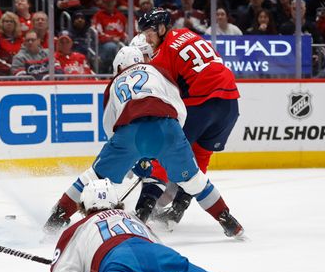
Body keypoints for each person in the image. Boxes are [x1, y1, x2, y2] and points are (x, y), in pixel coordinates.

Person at [44, 46, 242, 239]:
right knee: (195, 181)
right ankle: (229, 221)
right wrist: (170, 140)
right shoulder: (159, 71)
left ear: (119, 67)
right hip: (168, 127)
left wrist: (130, 155)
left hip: (129, 134)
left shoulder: (114, 83)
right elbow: (178, 107)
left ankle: (57, 216)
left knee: (92, 177)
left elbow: (110, 126)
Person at [50, 179, 313, 272]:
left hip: (117, 260)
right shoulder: (134, 219)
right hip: (159, 253)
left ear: (84, 207)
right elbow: (154, 246)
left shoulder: (77, 230)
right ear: (117, 202)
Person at [136, 8, 242, 231]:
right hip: (230, 103)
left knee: (166, 154)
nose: (146, 38)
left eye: (149, 33)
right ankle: (178, 210)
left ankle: (142, 212)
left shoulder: (163, 55)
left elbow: (166, 98)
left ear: (162, 29)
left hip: (202, 102)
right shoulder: (188, 33)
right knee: (200, 156)